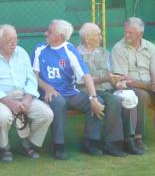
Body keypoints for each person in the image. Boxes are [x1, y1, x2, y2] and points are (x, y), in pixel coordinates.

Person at [33, 19, 104, 159]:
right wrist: (47, 87)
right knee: (59, 102)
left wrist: (93, 98)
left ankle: (90, 143)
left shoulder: (69, 49)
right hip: (49, 94)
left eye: (50, 32)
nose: (45, 33)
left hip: (70, 93)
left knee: (97, 102)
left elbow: (86, 75)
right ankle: (58, 146)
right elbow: (33, 76)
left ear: (60, 36)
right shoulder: (40, 49)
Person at [0, 25, 53, 162]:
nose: (14, 43)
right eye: (10, 40)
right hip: (1, 98)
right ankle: (4, 147)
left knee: (46, 114)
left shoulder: (22, 53)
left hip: (23, 96)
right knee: (2, 117)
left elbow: (31, 79)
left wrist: (27, 99)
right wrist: (10, 102)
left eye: (15, 39)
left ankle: (28, 143)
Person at [111, 17, 155, 148]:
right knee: (141, 96)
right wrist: (148, 85)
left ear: (141, 34)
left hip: (149, 84)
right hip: (129, 86)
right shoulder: (118, 48)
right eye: (125, 32)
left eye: (130, 33)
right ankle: (137, 136)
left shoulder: (150, 47)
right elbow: (122, 78)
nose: (126, 35)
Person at [77, 22, 139, 156]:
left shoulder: (104, 52)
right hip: (87, 90)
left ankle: (129, 139)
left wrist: (118, 83)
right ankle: (112, 143)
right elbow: (81, 81)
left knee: (128, 97)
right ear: (87, 38)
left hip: (107, 88)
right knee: (114, 100)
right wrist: (105, 78)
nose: (101, 37)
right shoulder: (76, 54)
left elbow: (110, 74)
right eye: (98, 35)